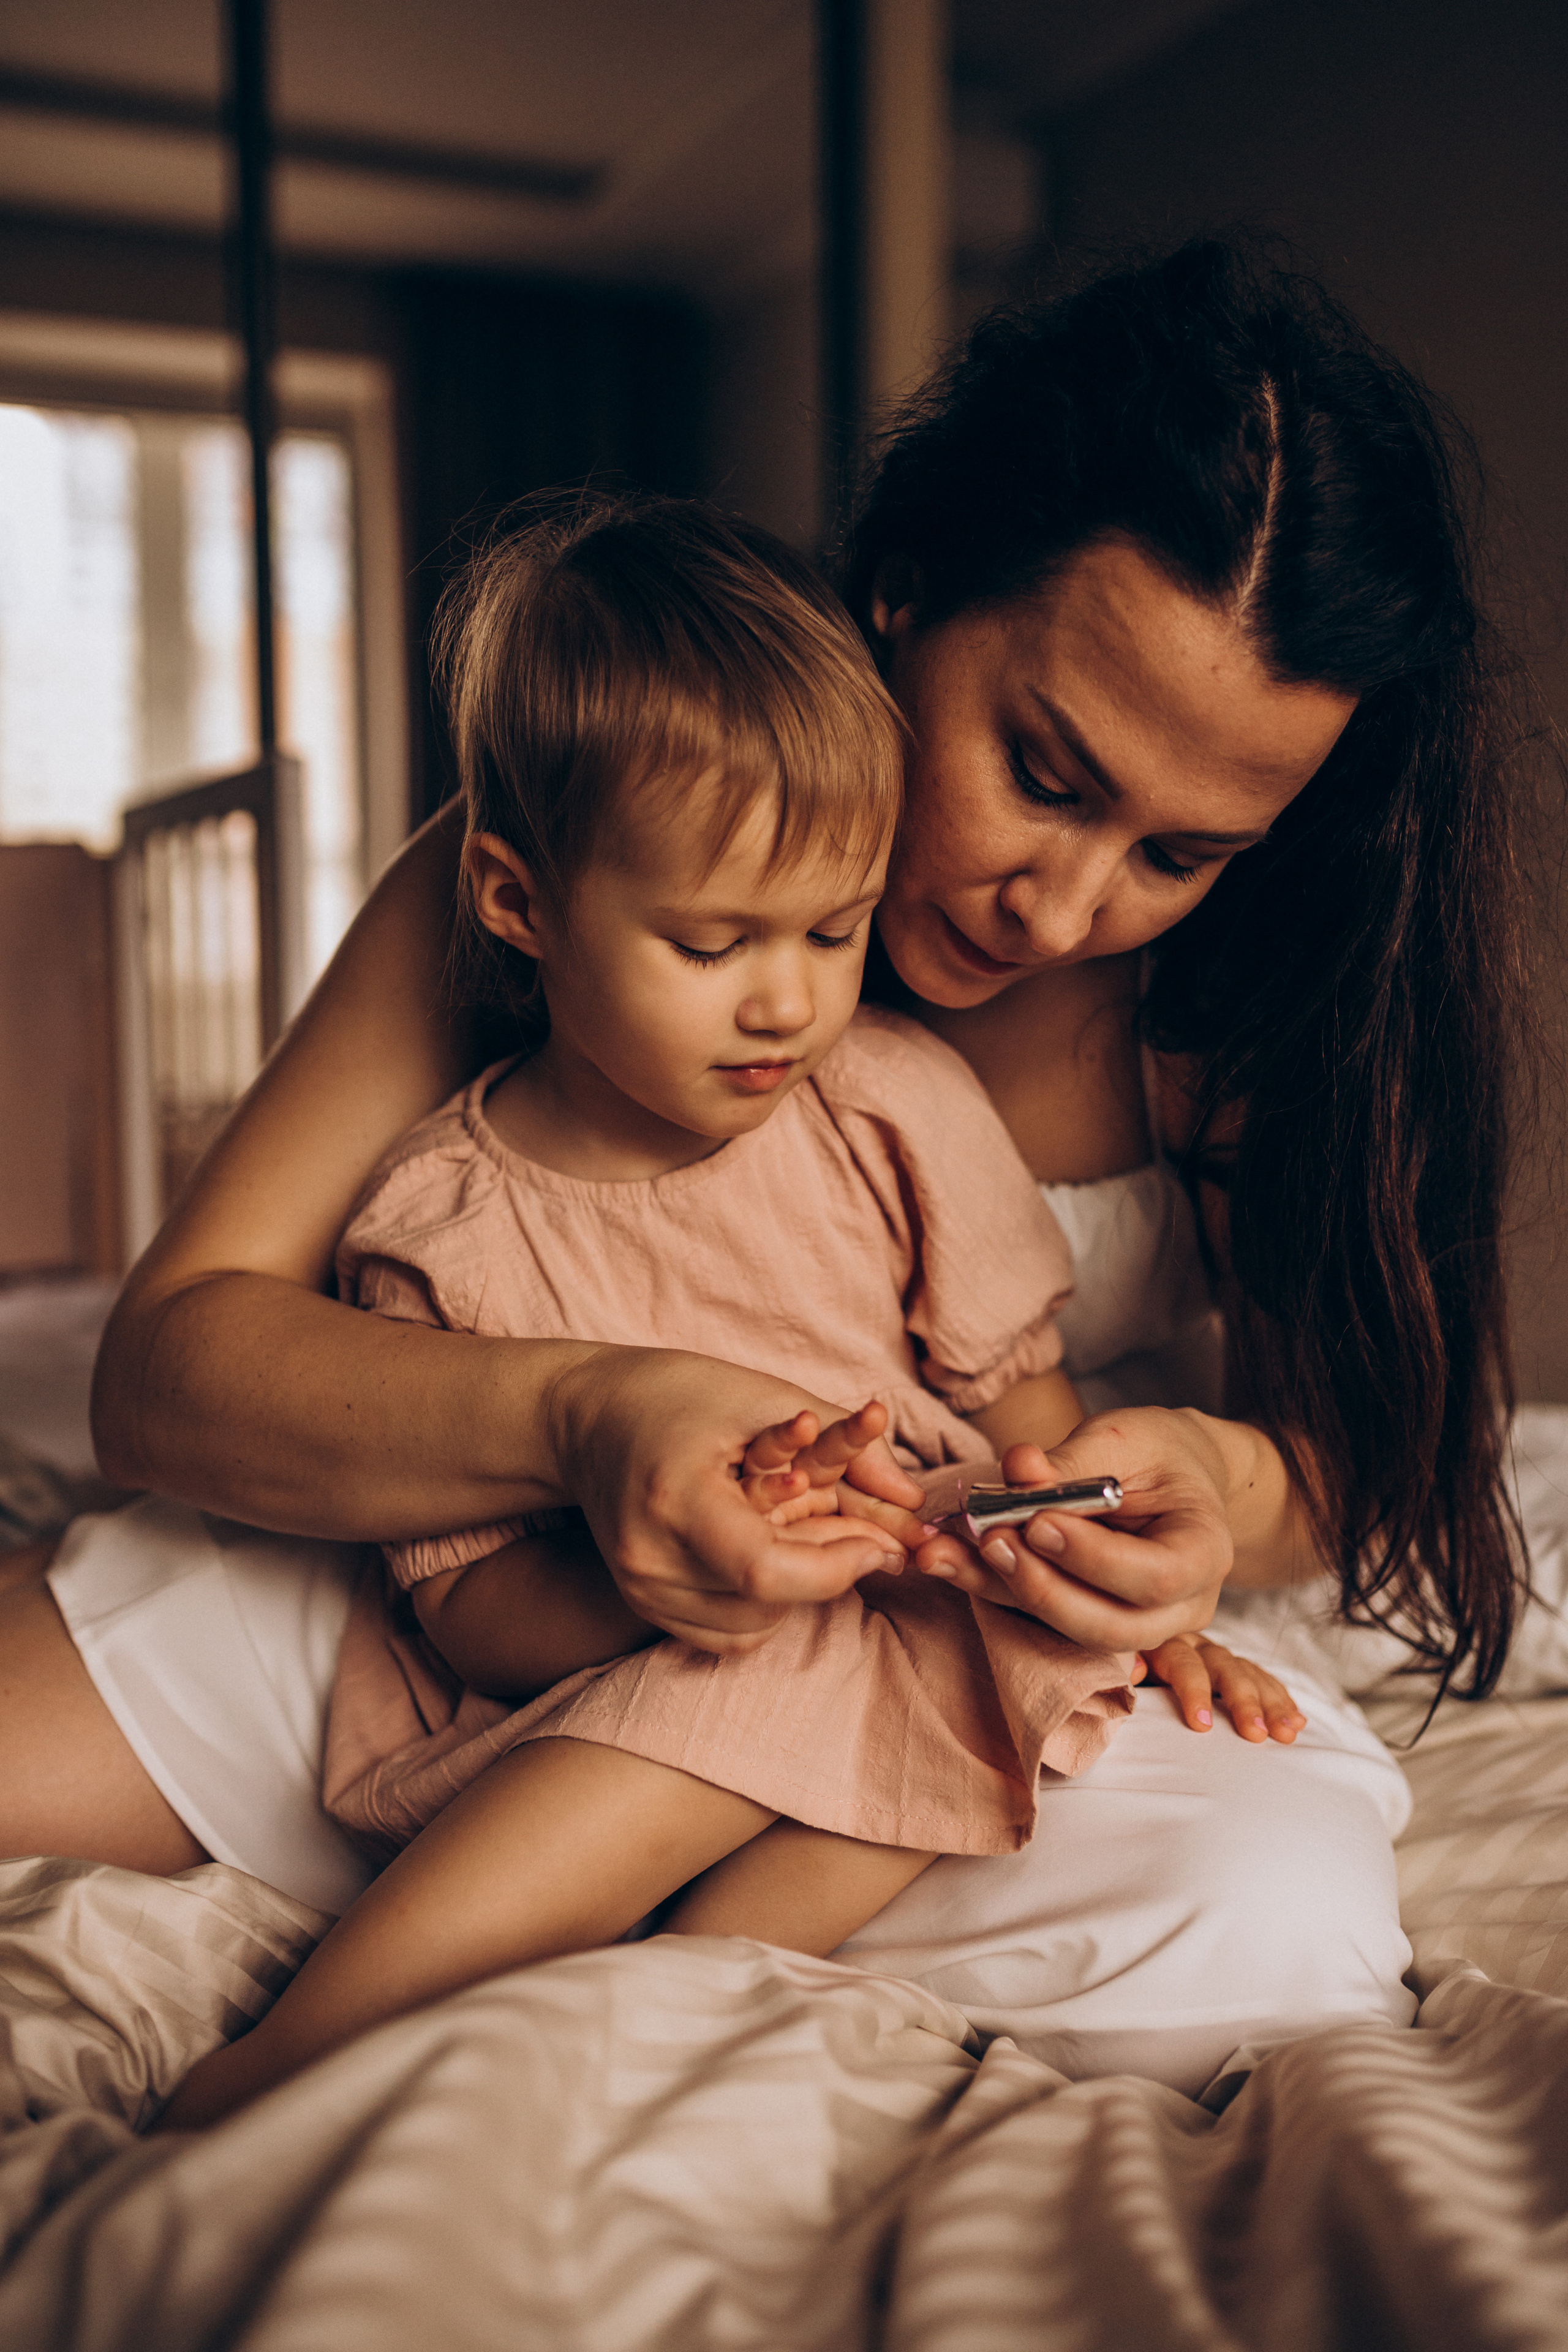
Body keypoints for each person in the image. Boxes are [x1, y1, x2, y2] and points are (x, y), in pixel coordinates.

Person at [2, 240, 1523, 2098]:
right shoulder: (596, 841)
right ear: (905, 594)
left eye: (1181, 854)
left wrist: (1212, 1476)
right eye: (1042, 772)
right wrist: (585, 1419)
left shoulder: (1263, 1013)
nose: (1063, 908)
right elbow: (168, 1368)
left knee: (1270, 1911)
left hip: (937, 1626)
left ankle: (614, 1953)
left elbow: (1369, 1450)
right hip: (479, 1556)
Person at [159, 495, 1305, 2128]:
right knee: (796, 1669)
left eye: (836, 932)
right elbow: (469, 1611)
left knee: (1000, 1670)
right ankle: (298, 2066)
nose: (789, 1000)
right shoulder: (440, 1226)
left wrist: (1129, 1575)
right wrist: (689, 1595)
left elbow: (1031, 1413)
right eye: (714, 944)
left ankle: (649, 2020)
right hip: (618, 1675)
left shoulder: (894, 1100)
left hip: (923, 1588)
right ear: (516, 905)